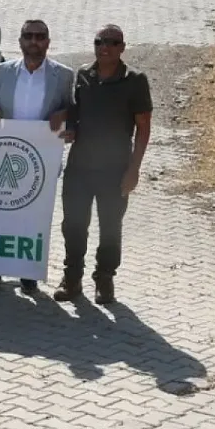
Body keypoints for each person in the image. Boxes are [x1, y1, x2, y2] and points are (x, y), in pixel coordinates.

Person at [54, 25, 152, 305]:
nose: (105, 47)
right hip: (80, 168)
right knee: (73, 224)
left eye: (112, 42)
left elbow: (143, 129)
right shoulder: (84, 74)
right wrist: (70, 126)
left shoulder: (135, 80)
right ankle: (72, 279)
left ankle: (105, 278)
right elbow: (77, 111)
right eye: (99, 41)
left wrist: (134, 169)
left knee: (110, 226)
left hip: (116, 169)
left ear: (122, 47)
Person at [0, 19, 74, 294]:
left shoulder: (63, 75)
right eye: (28, 36)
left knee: (34, 217)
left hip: (40, 159)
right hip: (4, 156)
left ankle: (27, 271)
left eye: (40, 36)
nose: (34, 41)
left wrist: (65, 115)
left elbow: (73, 108)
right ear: (19, 41)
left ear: (48, 42)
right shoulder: (3, 71)